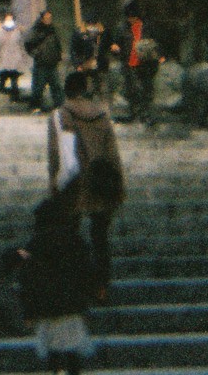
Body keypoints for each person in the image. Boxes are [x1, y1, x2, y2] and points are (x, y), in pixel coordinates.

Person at [48, 70, 126, 281]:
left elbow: (56, 154)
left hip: (74, 182)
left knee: (69, 234)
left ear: (66, 91)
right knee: (100, 236)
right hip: (101, 178)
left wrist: (54, 186)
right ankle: (101, 282)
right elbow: (112, 152)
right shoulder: (102, 115)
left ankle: (73, 280)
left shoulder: (61, 115)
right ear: (85, 90)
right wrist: (118, 185)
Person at [15, 191, 102, 375]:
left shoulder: (35, 244)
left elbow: (28, 279)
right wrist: (92, 293)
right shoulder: (74, 240)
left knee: (53, 351)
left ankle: (57, 371)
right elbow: (86, 271)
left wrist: (28, 310)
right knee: (73, 350)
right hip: (71, 305)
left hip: (47, 307)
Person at [119, 2, 160, 122]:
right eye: (129, 17)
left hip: (146, 64)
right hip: (129, 63)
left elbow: (155, 44)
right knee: (131, 89)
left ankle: (146, 114)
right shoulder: (122, 28)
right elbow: (118, 43)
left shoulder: (147, 27)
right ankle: (133, 112)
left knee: (146, 89)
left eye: (133, 17)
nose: (131, 20)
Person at [24, 9, 65, 112]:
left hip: (52, 62)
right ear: (42, 19)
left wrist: (59, 55)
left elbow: (57, 43)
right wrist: (36, 54)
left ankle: (59, 106)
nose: (48, 20)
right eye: (46, 18)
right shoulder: (36, 30)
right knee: (38, 86)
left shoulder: (53, 30)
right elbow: (28, 44)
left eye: (49, 18)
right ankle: (35, 106)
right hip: (41, 63)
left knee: (56, 86)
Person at [0, 12, 28, 100]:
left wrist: (23, 56)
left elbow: (21, 44)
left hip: (15, 57)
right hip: (3, 56)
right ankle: (2, 91)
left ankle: (14, 94)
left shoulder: (18, 31)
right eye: (7, 19)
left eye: (11, 19)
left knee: (14, 77)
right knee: (3, 76)